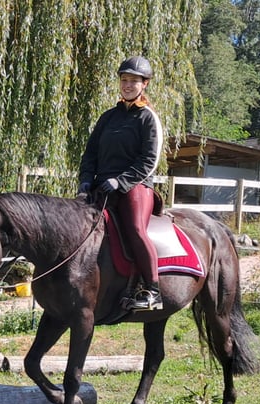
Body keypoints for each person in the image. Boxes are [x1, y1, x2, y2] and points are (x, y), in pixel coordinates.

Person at [78, 55, 164, 310]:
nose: (127, 85)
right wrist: (85, 180)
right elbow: (90, 153)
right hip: (101, 185)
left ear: (144, 84)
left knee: (135, 229)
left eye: (133, 81)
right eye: (124, 80)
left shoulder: (148, 118)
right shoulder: (107, 117)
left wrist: (121, 181)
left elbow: (149, 159)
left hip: (135, 185)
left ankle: (153, 290)